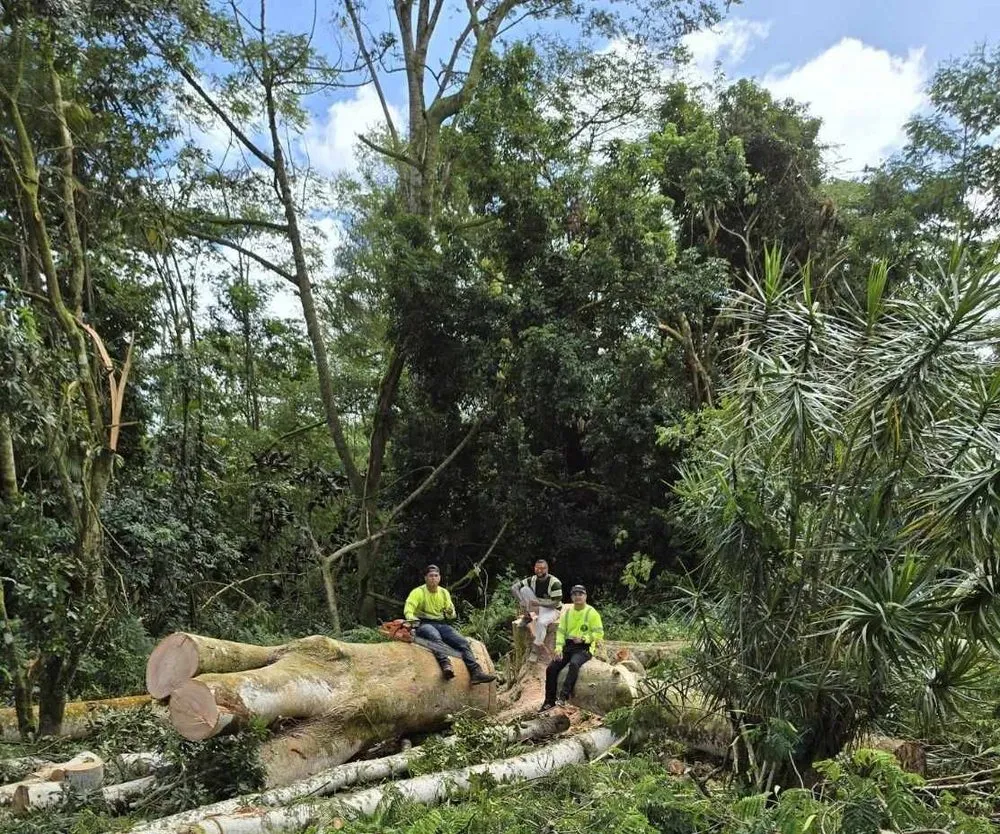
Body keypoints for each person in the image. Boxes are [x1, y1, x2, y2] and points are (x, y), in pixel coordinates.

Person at [404, 565, 496, 684]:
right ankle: (446, 664)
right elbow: (408, 609)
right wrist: (412, 620)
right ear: (425, 578)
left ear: (439, 578)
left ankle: (476, 672)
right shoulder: (418, 592)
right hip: (423, 623)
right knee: (434, 636)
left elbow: (452, 614)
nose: (433, 578)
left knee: (462, 642)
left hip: (441, 623)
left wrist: (450, 611)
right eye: (431, 576)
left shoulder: (444, 593)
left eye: (436, 576)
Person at [540, 585, 604, 711]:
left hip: (584, 648)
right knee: (551, 668)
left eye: (580, 594)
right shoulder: (568, 613)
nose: (578, 597)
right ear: (572, 597)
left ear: (585, 596)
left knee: (574, 664)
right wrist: (558, 648)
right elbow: (561, 632)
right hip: (568, 647)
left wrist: (584, 638)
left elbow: (599, 634)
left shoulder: (592, 613)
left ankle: (563, 696)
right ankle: (549, 701)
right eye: (575, 594)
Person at [511, 559, 563, 659]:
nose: (539, 571)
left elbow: (555, 603)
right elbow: (514, 588)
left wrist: (539, 603)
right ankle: (528, 616)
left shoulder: (554, 583)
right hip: (538, 606)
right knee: (524, 589)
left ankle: (536, 648)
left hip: (552, 609)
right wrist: (521, 601)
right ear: (534, 568)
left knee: (541, 623)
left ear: (547, 569)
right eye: (537, 568)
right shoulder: (532, 579)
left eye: (542, 568)